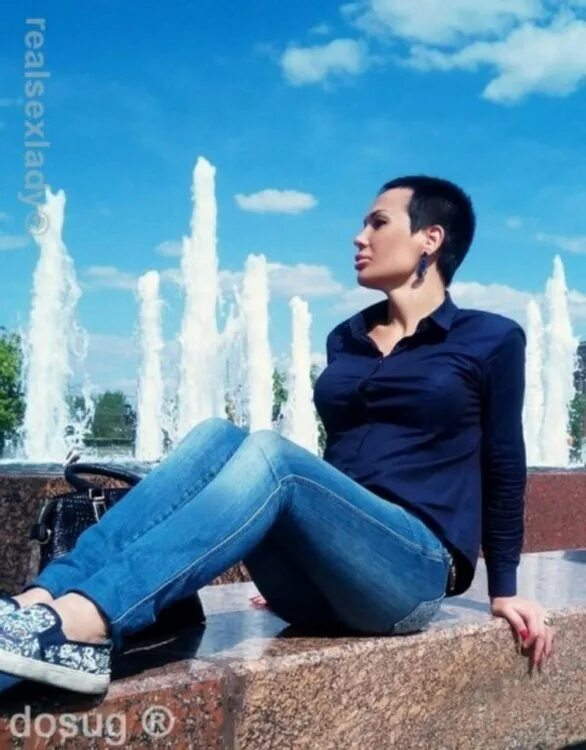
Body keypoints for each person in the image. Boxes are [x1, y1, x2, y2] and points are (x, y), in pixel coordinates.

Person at [0, 175, 554, 696]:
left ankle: (88, 620)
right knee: (216, 435)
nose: (359, 237)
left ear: (430, 238)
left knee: (272, 451)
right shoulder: (348, 337)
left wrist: (504, 589)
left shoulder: (491, 338)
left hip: (410, 574)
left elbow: (504, 462)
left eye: (378, 223)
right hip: (325, 577)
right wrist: (312, 548)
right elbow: (344, 458)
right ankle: (40, 601)